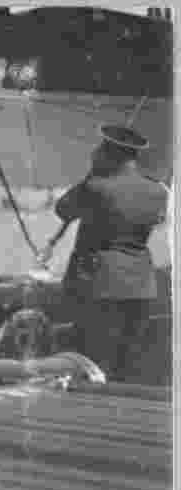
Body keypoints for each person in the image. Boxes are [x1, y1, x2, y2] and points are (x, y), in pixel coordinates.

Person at [43, 124, 168, 381]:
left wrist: (92, 175)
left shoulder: (96, 187)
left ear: (109, 154)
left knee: (90, 360)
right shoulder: (158, 191)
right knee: (128, 361)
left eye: (100, 149)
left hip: (97, 286)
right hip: (140, 287)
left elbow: (63, 208)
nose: (95, 152)